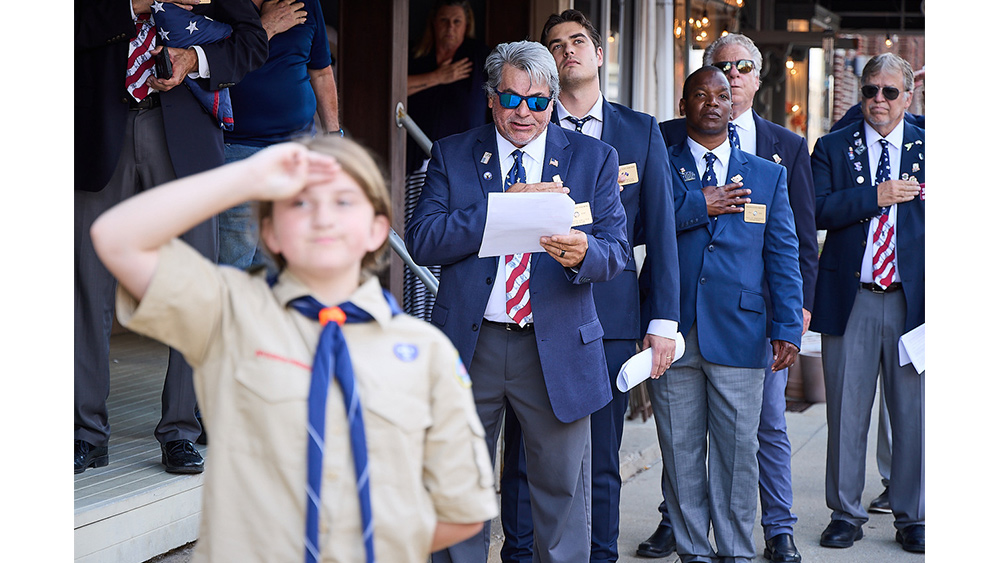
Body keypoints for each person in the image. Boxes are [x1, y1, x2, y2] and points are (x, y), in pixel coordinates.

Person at [89, 136, 499, 563]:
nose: (322, 217)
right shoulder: (229, 310)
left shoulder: (425, 352)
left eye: (344, 202)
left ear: (378, 230)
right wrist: (248, 176)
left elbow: (463, 508)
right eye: (300, 203)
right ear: (270, 231)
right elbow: (116, 238)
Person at [405, 40, 630, 563]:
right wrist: (498, 211)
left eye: (537, 101)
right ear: (491, 98)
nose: (523, 113)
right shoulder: (453, 152)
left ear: (553, 100)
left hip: (556, 346)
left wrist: (582, 254)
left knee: (560, 495)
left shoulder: (593, 159)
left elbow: (617, 252)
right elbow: (422, 238)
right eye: (511, 99)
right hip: (472, 343)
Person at [497, 10, 681, 563]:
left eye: (578, 41)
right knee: (525, 458)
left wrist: (662, 322)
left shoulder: (639, 131)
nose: (568, 50)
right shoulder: (527, 126)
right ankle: (520, 553)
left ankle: (599, 555)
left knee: (601, 456)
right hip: (532, 313)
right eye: (556, 44)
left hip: (608, 322)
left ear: (600, 53)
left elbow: (662, 231)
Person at [74, 0, 267, 475]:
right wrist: (134, 5)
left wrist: (194, 60)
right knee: (86, 286)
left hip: (184, 134)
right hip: (102, 132)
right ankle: (85, 432)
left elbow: (251, 42)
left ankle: (180, 430)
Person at [650, 33, 817, 563]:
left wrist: (788, 327)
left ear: (735, 103)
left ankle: (738, 553)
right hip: (671, 332)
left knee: (739, 454)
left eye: (723, 94)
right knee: (679, 454)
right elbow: (641, 227)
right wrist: (701, 204)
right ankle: (693, 553)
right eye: (702, 94)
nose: (714, 102)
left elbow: (784, 256)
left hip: (742, 333)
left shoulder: (768, 175)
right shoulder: (660, 165)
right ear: (684, 105)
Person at [811, 52, 925, 554]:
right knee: (846, 412)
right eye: (870, 91)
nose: (878, 100)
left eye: (890, 92)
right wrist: (875, 195)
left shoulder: (932, 147)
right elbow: (814, 209)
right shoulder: (833, 147)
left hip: (911, 302)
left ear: (909, 95)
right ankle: (845, 513)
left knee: (912, 414)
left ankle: (913, 514)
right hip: (851, 298)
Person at [220, 0, 342, 273]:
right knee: (234, 269)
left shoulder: (308, 3)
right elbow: (214, 62)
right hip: (237, 151)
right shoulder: (219, 4)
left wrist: (334, 137)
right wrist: (267, 27)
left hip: (297, 152)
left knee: (284, 264)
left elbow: (321, 72)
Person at [406, 0, 490, 174]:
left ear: (466, 25)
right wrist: (437, 77)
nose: (450, 27)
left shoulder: (478, 55)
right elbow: (394, 91)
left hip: (463, 159)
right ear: (434, 22)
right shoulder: (416, 53)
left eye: (456, 21)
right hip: (416, 157)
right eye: (444, 20)